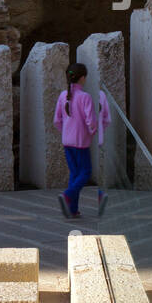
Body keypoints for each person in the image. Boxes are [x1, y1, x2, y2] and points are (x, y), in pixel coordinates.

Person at [53, 62, 97, 219]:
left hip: (67, 141)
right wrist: (91, 133)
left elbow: (57, 120)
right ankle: (67, 195)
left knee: (75, 173)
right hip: (81, 142)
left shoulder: (62, 95)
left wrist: (66, 132)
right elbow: (91, 122)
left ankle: (72, 209)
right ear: (82, 78)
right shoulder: (85, 97)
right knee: (85, 172)